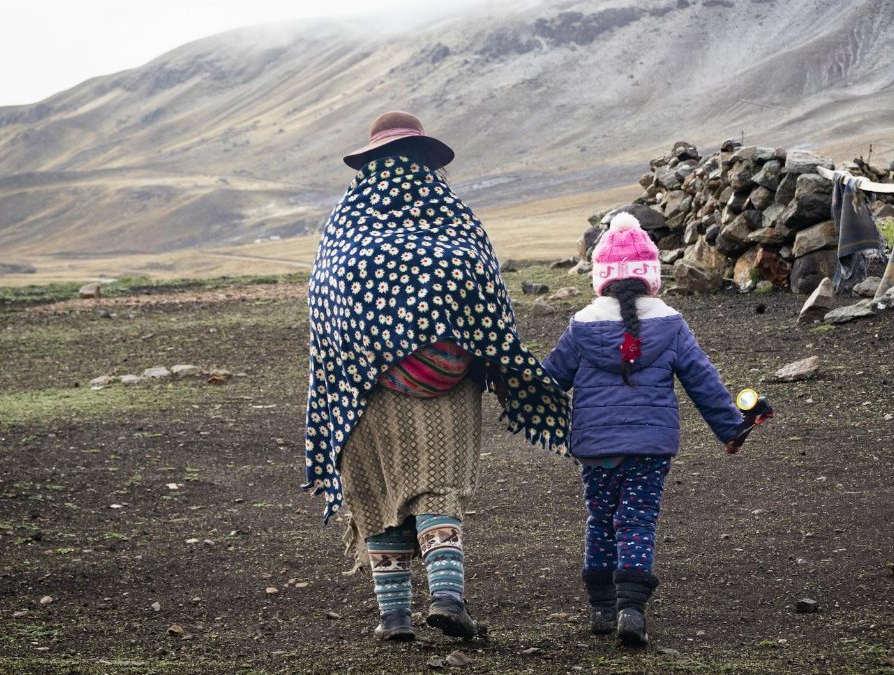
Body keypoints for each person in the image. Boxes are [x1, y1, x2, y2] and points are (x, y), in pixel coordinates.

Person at [303, 111, 569, 641]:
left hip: (364, 393)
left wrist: (357, 367)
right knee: (435, 487)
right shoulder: (456, 221)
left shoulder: (342, 233)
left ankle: (395, 617)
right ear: (428, 161)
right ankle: (446, 599)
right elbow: (491, 307)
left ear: (369, 164)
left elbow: (323, 318)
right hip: (446, 387)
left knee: (378, 494)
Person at [542, 212, 773, 646]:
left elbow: (549, 381)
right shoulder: (672, 324)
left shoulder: (581, 327)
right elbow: (703, 381)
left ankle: (601, 608)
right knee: (637, 522)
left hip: (596, 447)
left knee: (601, 520)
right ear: (651, 277)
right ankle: (632, 609)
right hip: (651, 446)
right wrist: (732, 427)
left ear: (602, 277)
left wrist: (512, 388)